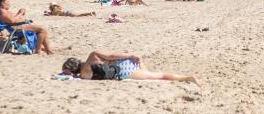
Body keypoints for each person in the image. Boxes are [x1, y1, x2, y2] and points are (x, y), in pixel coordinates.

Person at [61, 51, 200, 85]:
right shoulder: (93, 55)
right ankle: (185, 77)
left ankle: (186, 78)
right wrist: (132, 54)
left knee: (158, 76)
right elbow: (111, 55)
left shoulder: (84, 76)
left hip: (122, 72)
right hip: (125, 62)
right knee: (152, 74)